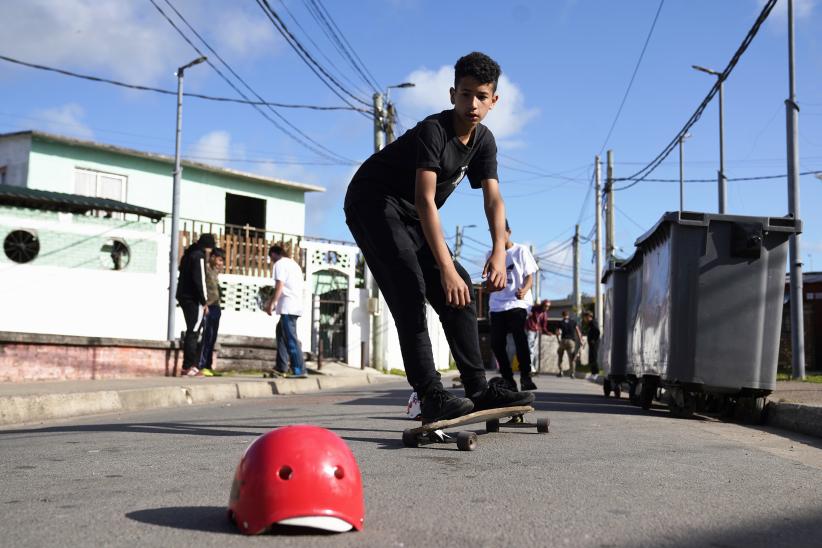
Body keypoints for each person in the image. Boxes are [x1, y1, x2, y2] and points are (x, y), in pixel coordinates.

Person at [343, 51, 534, 423]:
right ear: (452, 95)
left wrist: (498, 250)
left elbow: (493, 197)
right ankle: (430, 394)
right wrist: (444, 266)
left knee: (459, 293)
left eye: (481, 96)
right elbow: (425, 199)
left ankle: (477, 390)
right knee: (410, 290)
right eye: (465, 95)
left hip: (411, 214)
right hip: (372, 201)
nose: (472, 104)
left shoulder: (484, 141)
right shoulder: (434, 131)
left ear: (494, 101)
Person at [486, 220, 538, 391]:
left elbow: (530, 276)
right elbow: (489, 282)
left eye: (501, 232)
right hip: (497, 305)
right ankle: (508, 378)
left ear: (509, 231)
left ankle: (526, 376)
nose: (498, 236)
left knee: (519, 337)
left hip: (517, 302)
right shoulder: (491, 253)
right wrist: (491, 286)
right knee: (496, 342)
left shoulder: (521, 250)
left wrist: (524, 289)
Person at [265, 244, 307, 378]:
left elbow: (280, 285)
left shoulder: (280, 264)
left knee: (290, 338)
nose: (271, 261)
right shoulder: (294, 265)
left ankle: (299, 370)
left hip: (288, 307)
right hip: (295, 305)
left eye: (271, 257)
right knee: (281, 333)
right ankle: (281, 367)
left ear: (274, 254)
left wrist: (272, 303)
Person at [176, 233, 215, 376]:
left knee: (191, 330)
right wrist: (204, 302)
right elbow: (200, 280)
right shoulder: (198, 256)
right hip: (193, 299)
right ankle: (189, 366)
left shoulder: (189, 254)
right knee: (193, 331)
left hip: (184, 296)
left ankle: (189, 365)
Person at [196, 247, 225, 377]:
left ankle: (209, 365)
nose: (221, 263)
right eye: (219, 259)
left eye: (222, 260)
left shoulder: (214, 271)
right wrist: (204, 303)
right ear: (212, 257)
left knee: (212, 338)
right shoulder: (206, 270)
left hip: (216, 307)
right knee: (206, 337)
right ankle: (201, 366)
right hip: (208, 306)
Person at [556, 309, 584, 378]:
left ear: (562, 315)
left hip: (563, 341)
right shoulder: (573, 322)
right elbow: (578, 331)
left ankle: (561, 371)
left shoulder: (561, 322)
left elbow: (558, 332)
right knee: (572, 358)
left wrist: (558, 340)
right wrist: (580, 340)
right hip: (571, 342)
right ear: (568, 315)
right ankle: (572, 373)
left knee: (560, 356)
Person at [525, 299, 550, 373]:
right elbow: (528, 310)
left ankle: (534, 367)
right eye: (545, 306)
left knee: (535, 350)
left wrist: (547, 332)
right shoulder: (535, 309)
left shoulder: (545, 314)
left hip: (537, 331)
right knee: (530, 349)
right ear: (542, 305)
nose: (547, 308)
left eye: (548, 307)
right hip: (530, 330)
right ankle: (530, 366)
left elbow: (544, 325)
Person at [582, 310, 601, 377]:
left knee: (593, 358)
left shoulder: (593, 322)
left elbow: (597, 331)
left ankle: (596, 373)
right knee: (591, 358)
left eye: (585, 317)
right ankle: (593, 373)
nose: (584, 319)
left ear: (588, 317)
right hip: (592, 343)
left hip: (594, 343)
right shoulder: (590, 324)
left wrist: (593, 339)